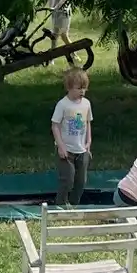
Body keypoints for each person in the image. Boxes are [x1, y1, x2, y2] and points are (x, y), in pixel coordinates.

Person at [50, 67, 94, 206]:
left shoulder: (86, 104)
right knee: (67, 179)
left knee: (81, 181)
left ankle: (75, 204)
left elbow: (87, 122)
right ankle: (61, 204)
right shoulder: (63, 104)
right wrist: (61, 146)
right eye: (79, 88)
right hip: (67, 150)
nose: (82, 91)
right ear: (69, 87)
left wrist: (89, 141)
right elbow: (55, 125)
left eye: (84, 88)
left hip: (82, 150)